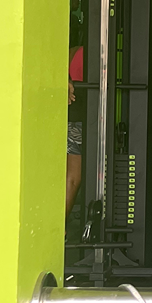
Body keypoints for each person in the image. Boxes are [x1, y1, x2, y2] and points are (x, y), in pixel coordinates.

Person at [66, 45, 84, 223]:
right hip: (79, 119)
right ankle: (59, 226)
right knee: (73, 178)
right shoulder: (101, 53)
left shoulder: (72, 51)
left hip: (71, 117)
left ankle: (59, 226)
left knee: (71, 177)